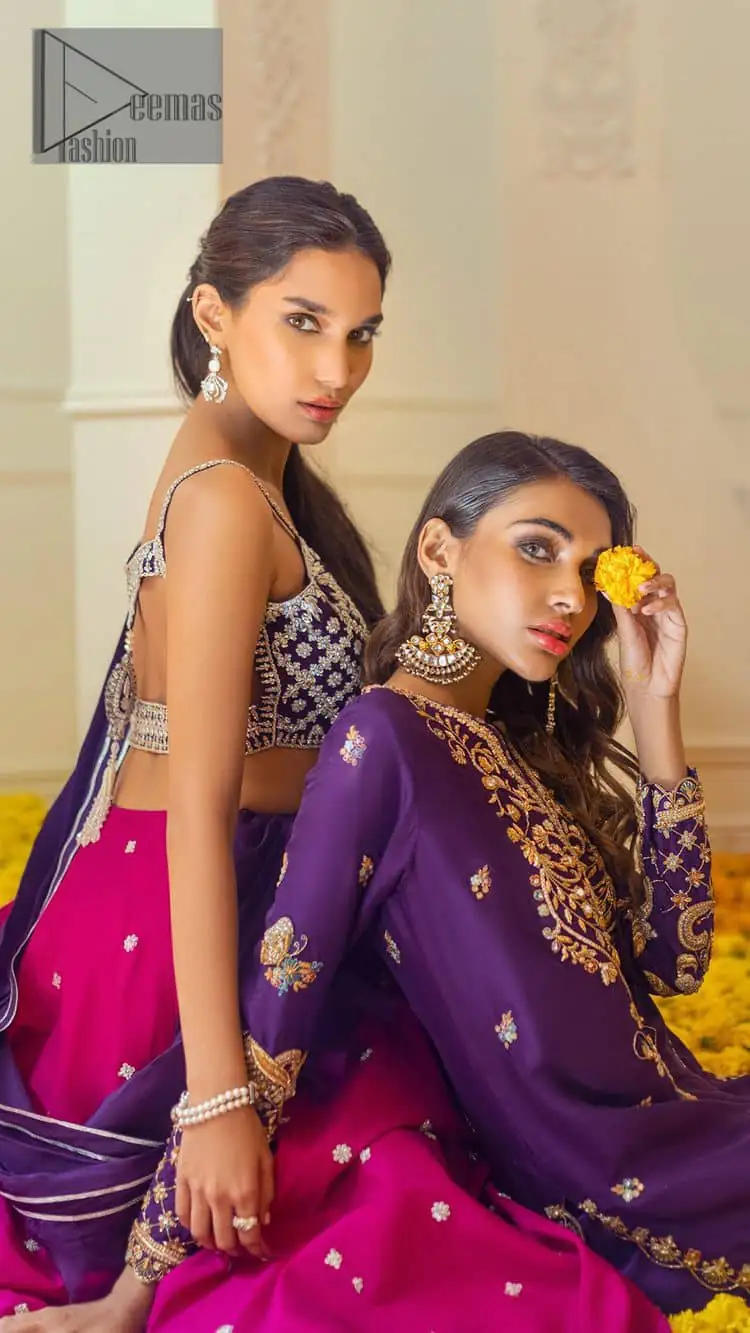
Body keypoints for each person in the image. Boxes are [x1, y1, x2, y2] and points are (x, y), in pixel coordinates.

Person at [70, 432, 680, 1332]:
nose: (570, 596)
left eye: (591, 573)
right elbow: (279, 999)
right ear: (438, 550)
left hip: (668, 1125)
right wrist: (132, 1291)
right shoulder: (380, 739)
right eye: (537, 548)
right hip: (597, 1179)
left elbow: (671, 963)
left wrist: (657, 703)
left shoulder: (520, 747)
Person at [0, 174, 392, 1320]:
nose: (337, 369)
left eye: (361, 333)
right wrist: (217, 1097)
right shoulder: (224, 498)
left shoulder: (254, 475)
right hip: (177, 920)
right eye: (304, 322)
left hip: (237, 886)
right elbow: (198, 804)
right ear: (216, 314)